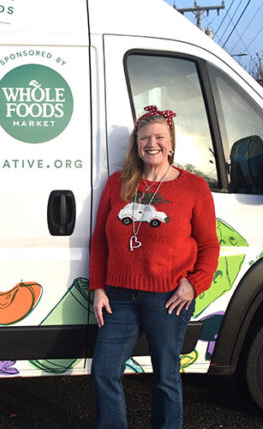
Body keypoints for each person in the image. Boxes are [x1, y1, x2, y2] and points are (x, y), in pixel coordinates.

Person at [89, 105, 220, 429]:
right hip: (119, 297)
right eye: (144, 138)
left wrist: (194, 283)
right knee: (104, 371)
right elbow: (100, 242)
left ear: (171, 143)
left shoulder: (194, 187)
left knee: (165, 376)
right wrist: (99, 288)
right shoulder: (118, 183)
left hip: (167, 299)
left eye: (159, 137)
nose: (152, 144)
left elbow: (209, 245)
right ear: (136, 144)